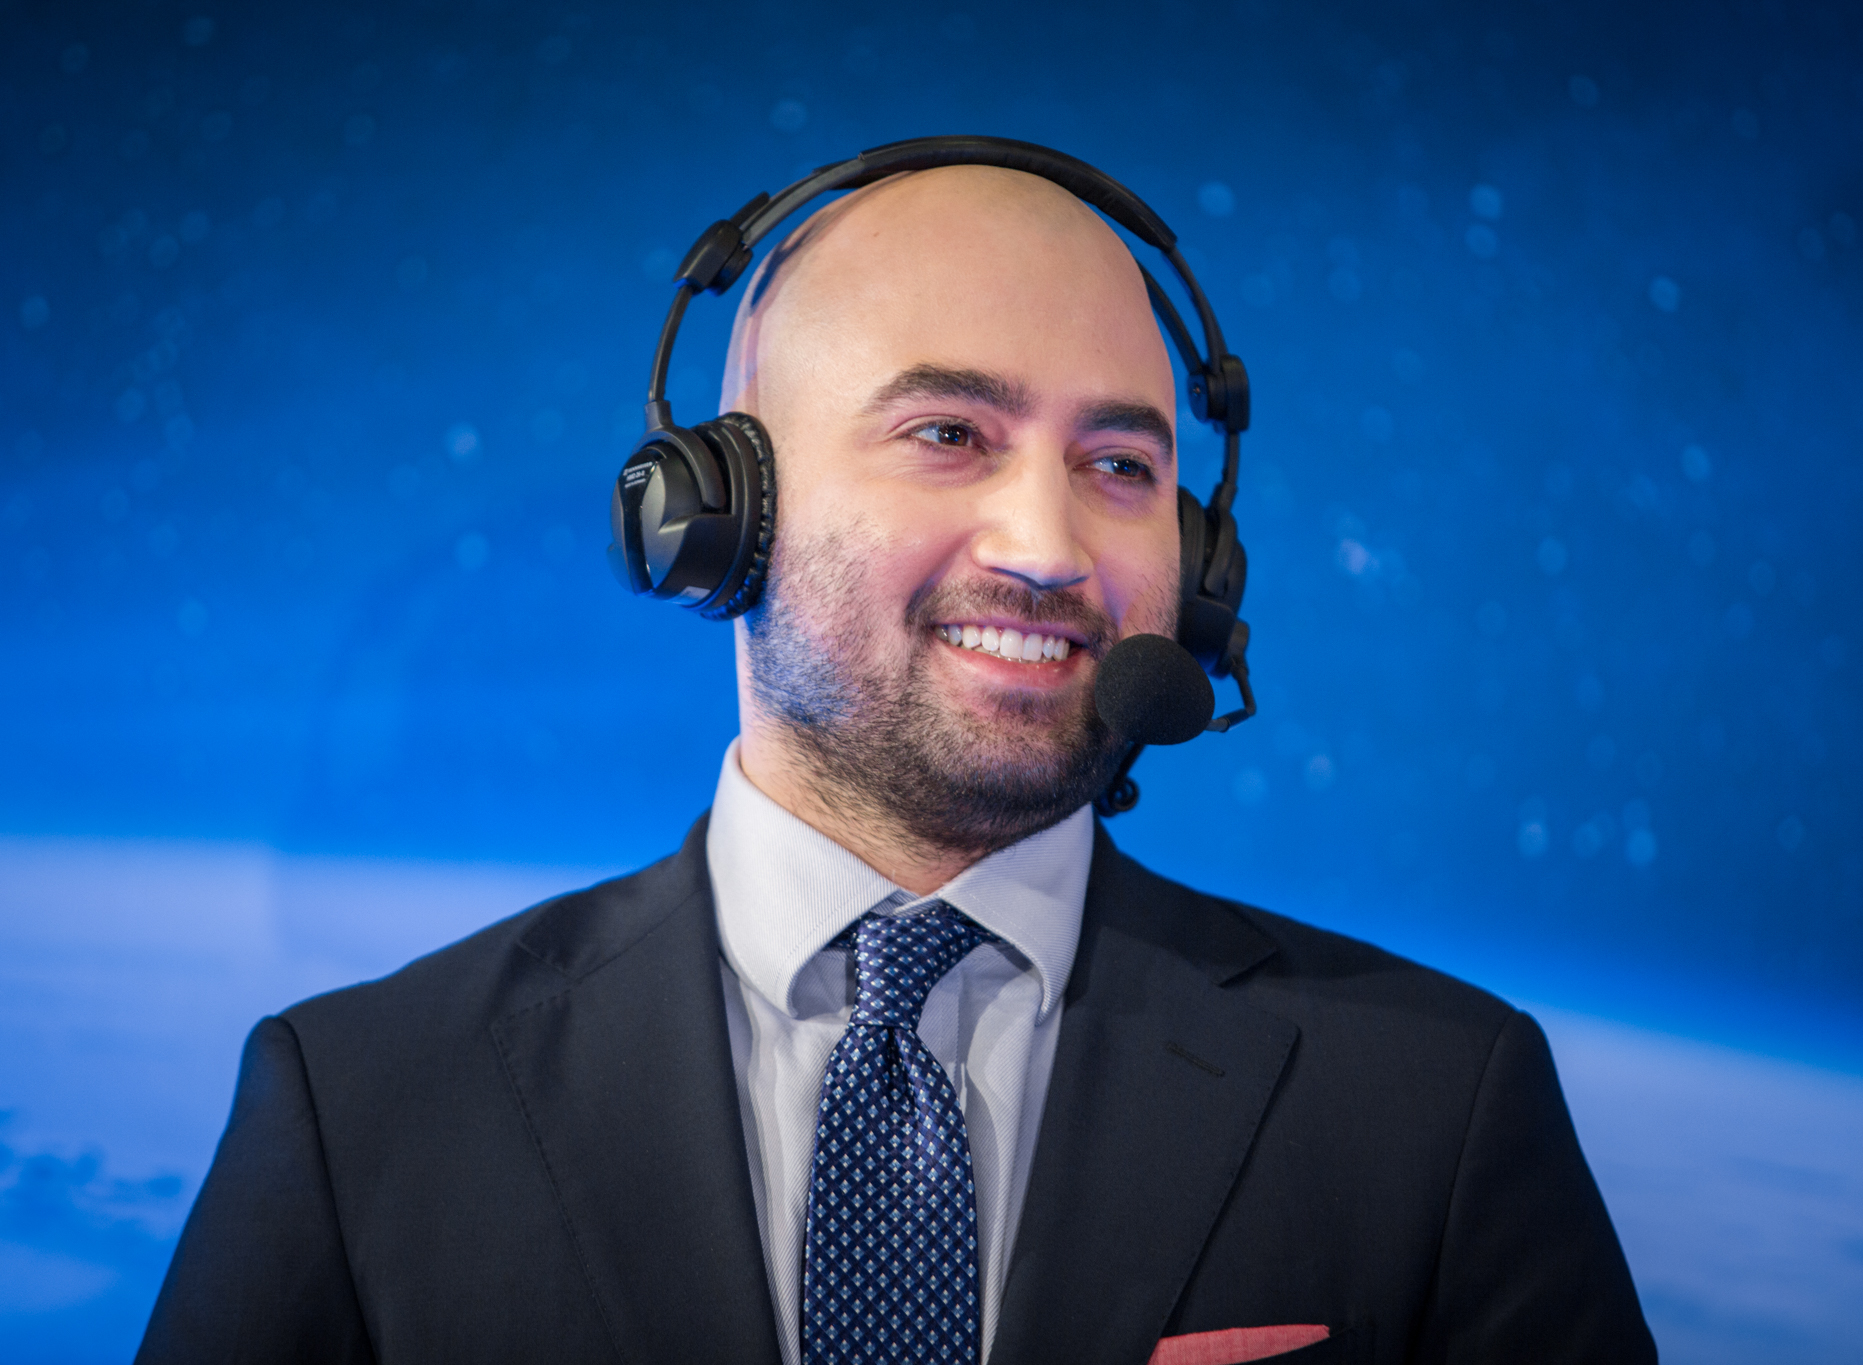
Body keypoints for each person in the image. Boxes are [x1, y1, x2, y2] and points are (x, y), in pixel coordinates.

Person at [139, 155, 1656, 1364]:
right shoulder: (360, 1105)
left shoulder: (1437, 1105)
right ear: (719, 515)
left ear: (1200, 566)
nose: (1048, 548)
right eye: (948, 434)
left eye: (1120, 465)